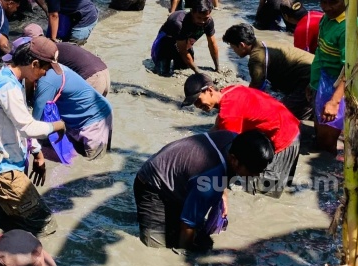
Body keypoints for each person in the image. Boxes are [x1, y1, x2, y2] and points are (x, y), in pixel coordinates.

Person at [0, 37, 66, 237]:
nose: (44, 75)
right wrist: (57, 125)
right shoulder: (8, 88)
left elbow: (20, 121)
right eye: (45, 69)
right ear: (34, 64)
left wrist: (37, 152)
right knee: (45, 223)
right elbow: (27, 126)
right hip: (2, 170)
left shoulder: (10, 81)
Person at [134, 130, 274, 252]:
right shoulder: (210, 182)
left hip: (179, 178)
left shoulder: (237, 140)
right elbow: (188, 223)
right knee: (157, 250)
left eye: (260, 171)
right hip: (152, 185)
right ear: (234, 160)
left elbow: (221, 170)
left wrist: (222, 193)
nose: (257, 176)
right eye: (253, 171)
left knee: (198, 236)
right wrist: (186, 257)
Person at [182, 73, 300, 198]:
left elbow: (230, 157)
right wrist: (190, 148)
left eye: (198, 100)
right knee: (281, 186)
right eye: (194, 103)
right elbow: (216, 130)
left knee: (263, 194)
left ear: (209, 90)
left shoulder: (229, 114)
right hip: (289, 126)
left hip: (284, 138)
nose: (198, 106)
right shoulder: (230, 91)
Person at [222, 23, 314, 120]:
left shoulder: (256, 58)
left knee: (281, 116)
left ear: (241, 45)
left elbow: (255, 90)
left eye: (233, 47)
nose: (233, 51)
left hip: (309, 79)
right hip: (316, 71)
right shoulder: (264, 44)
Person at [30, 62, 113, 160]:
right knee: (80, 160)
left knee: (93, 168)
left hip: (95, 121)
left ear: (34, 65)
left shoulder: (46, 80)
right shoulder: (55, 69)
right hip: (87, 117)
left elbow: (34, 125)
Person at [22, 23, 110, 96]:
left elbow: (32, 78)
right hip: (104, 71)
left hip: (92, 77)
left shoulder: (44, 53)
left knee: (77, 115)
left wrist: (29, 99)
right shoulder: (58, 46)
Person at [307, 0, 346, 155]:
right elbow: (320, 53)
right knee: (319, 132)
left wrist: (335, 101)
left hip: (337, 87)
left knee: (327, 141)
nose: (327, 7)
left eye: (333, 2)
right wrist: (312, 83)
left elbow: (352, 70)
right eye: (324, 1)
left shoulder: (347, 28)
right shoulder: (327, 18)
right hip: (321, 81)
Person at [151, 0, 219, 76]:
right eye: (199, 18)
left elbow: (212, 44)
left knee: (184, 70)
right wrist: (198, 73)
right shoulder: (179, 23)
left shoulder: (208, 22)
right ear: (192, 12)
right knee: (162, 75)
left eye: (205, 18)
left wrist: (217, 67)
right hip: (164, 45)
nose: (202, 22)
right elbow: (183, 51)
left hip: (184, 43)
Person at [34, 0, 99, 45]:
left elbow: (54, 15)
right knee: (62, 41)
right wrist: (47, 10)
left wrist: (53, 39)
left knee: (73, 48)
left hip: (87, 17)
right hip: (71, 13)